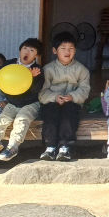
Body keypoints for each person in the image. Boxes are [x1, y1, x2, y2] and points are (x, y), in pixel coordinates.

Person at [0, 38, 44, 162]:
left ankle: (12, 147)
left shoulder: (37, 70)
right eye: (25, 48)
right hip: (12, 101)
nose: (27, 52)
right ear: (20, 50)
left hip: (30, 103)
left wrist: (32, 77)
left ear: (36, 55)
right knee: (3, 119)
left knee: (21, 120)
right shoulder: (10, 64)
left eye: (31, 50)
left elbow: (36, 90)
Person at [38, 32, 91, 161]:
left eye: (71, 49)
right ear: (55, 51)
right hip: (52, 102)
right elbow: (42, 92)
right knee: (51, 113)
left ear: (75, 51)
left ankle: (64, 147)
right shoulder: (48, 69)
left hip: (72, 102)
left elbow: (84, 90)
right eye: (63, 49)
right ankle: (50, 147)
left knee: (69, 113)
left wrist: (72, 96)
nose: (67, 52)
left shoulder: (82, 70)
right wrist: (55, 97)